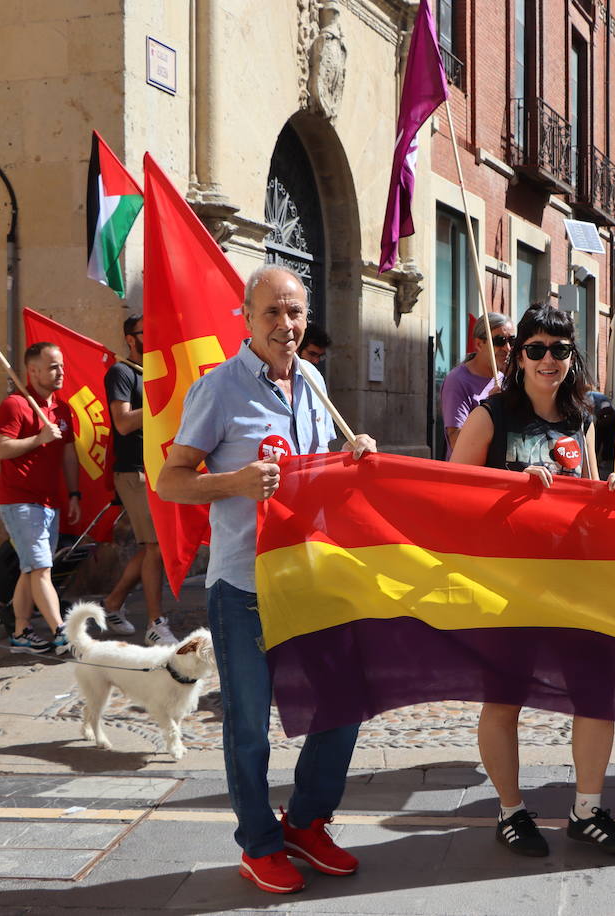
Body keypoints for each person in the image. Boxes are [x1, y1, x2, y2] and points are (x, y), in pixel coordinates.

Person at [158, 266, 376, 895]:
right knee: (249, 723)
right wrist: (236, 482)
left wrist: (350, 454)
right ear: (247, 318)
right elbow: (171, 480)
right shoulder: (217, 390)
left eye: (296, 313)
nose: (286, 325)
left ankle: (307, 821)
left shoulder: (311, 380)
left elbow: (313, 473)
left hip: (310, 577)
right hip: (243, 585)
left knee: (344, 701)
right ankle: (258, 843)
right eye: (273, 314)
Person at [450, 304, 615, 859]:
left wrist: (613, 488)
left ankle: (587, 810)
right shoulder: (490, 417)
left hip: (574, 582)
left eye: (560, 349)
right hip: (507, 584)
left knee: (596, 696)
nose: (549, 360)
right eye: (536, 349)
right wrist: (511, 486)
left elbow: (591, 489)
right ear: (518, 356)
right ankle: (511, 811)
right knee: (504, 700)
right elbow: (450, 498)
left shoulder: (583, 417)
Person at [0, 343, 79, 656]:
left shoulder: (62, 408)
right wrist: (37, 439)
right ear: (33, 371)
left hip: (49, 501)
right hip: (20, 501)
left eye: (62, 366)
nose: (60, 372)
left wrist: (73, 493)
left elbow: (69, 454)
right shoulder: (15, 405)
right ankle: (62, 633)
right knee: (41, 568)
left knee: (31, 569)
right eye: (53, 366)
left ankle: (20, 630)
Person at [99, 314, 172, 644]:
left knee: (152, 546)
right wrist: (162, 406)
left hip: (157, 470)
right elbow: (123, 422)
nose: (153, 336)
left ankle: (113, 602)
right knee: (155, 546)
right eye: (147, 332)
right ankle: (156, 624)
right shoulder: (121, 371)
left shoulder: (152, 371)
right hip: (133, 472)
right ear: (131, 338)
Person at [440, 312, 515, 455]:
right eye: (499, 341)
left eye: (511, 341)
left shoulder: (504, 380)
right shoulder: (457, 380)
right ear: (479, 344)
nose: (507, 348)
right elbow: (455, 441)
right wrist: (490, 407)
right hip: (469, 472)